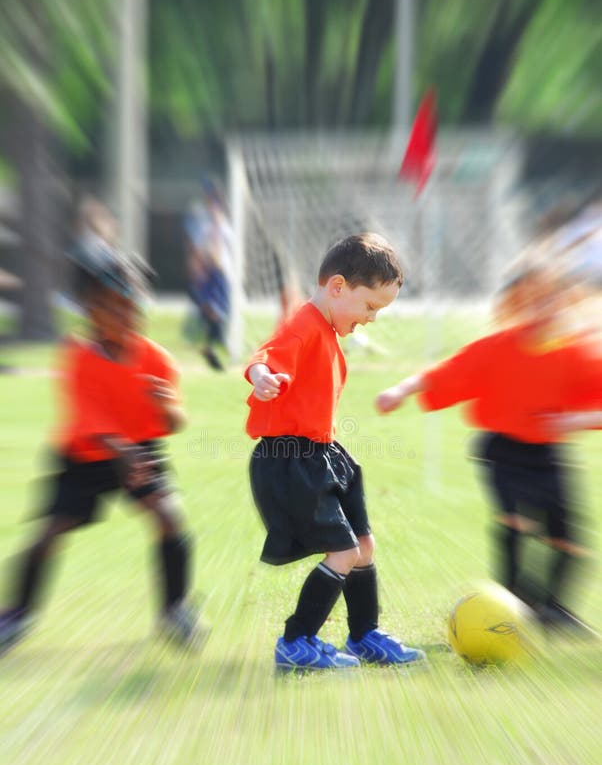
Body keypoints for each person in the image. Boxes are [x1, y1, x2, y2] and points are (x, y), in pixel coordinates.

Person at [376, 267, 602, 636]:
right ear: (523, 307)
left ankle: (556, 610)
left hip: (547, 456)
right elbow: (447, 372)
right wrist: (400, 391)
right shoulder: (500, 347)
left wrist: (573, 420)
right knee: (516, 521)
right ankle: (514, 607)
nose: (549, 311)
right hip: (503, 452)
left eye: (557, 304)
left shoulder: (573, 354)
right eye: (539, 303)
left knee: (567, 538)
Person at [0, 253, 204, 654]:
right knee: (50, 533)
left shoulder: (156, 358)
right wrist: (122, 453)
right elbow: (89, 419)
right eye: (114, 306)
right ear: (91, 311)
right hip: (84, 457)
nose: (127, 315)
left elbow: (175, 422)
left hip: (140, 450)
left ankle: (175, 609)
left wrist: (167, 407)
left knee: (169, 516)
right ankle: (16, 612)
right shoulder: (78, 355)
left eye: (134, 306)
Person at [245, 233, 425, 670]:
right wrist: (261, 376)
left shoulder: (326, 331)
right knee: (343, 552)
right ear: (338, 287)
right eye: (370, 307)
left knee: (363, 545)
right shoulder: (304, 324)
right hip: (291, 459)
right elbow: (266, 356)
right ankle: (296, 641)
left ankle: (364, 635)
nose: (372, 319)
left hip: (323, 454)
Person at [183, 180, 233, 371]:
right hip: (214, 272)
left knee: (217, 311)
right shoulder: (209, 224)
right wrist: (200, 267)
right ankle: (212, 346)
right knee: (213, 310)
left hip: (220, 272)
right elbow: (201, 249)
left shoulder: (221, 222)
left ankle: (213, 345)